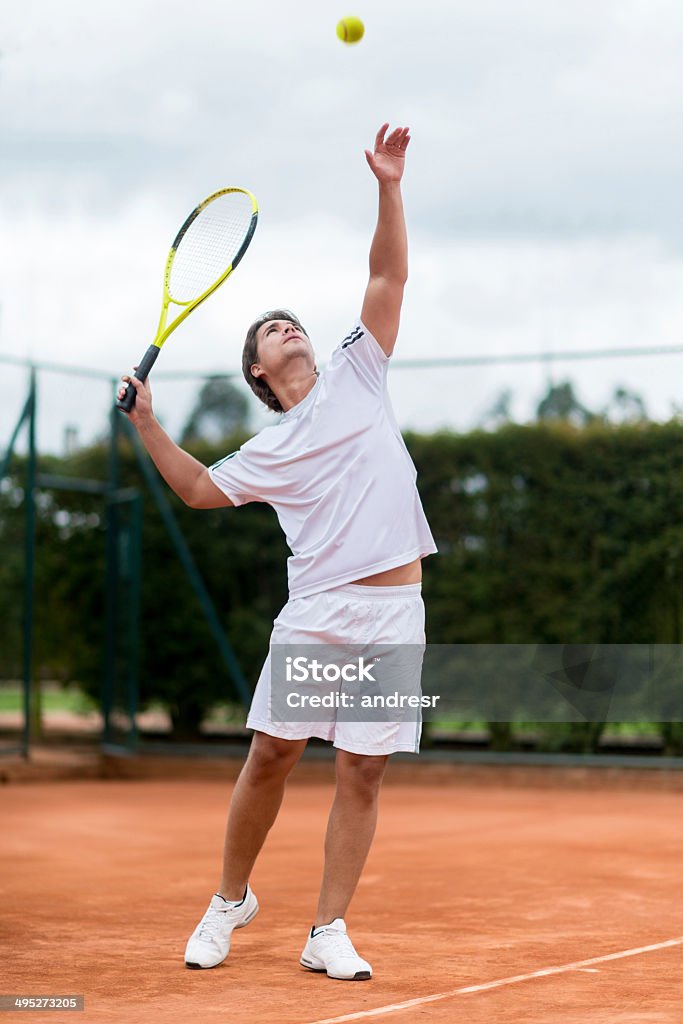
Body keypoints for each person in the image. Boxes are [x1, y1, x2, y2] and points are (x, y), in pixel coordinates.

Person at [117, 123, 437, 982]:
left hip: (392, 610)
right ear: (259, 373)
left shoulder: (357, 371)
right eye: (269, 330)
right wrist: (148, 424)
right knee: (272, 752)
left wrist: (388, 185)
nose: (286, 327)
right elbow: (192, 489)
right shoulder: (265, 452)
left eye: (290, 320)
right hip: (322, 611)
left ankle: (326, 929)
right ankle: (229, 901)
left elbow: (386, 275)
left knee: (362, 773)